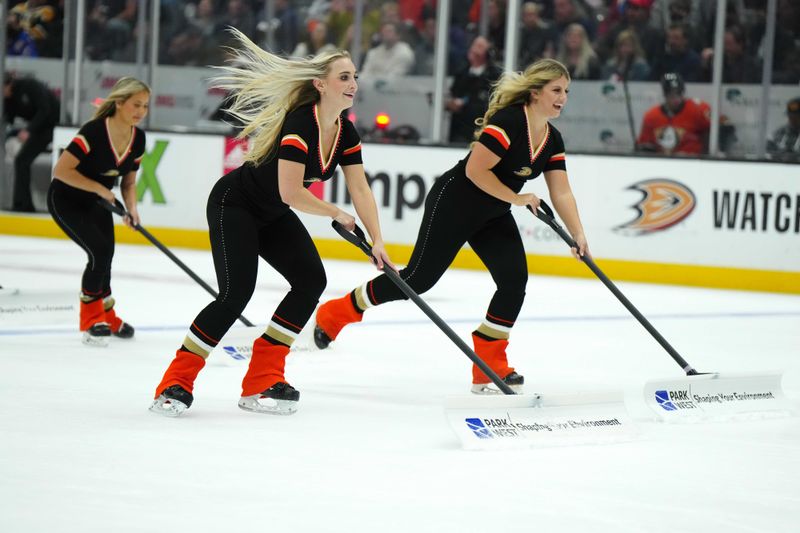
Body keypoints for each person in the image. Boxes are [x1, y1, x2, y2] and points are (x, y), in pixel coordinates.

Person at [150, 29, 393, 417]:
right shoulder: (301, 123)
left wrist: (377, 239)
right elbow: (291, 193)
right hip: (236, 205)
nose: (352, 84)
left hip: (272, 213)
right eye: (344, 77)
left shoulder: (345, 131)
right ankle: (175, 382)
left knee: (311, 280)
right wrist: (335, 213)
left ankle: (263, 377)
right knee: (235, 294)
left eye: (355, 77)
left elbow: (360, 187)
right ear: (320, 84)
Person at [313, 59, 589, 395]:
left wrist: (578, 233)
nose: (563, 97)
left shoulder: (552, 139)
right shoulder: (508, 122)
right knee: (416, 281)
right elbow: (476, 172)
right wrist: (517, 199)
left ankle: (489, 364)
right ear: (535, 92)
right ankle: (338, 312)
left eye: (567, 92)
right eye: (556, 90)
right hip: (454, 204)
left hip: (493, 212)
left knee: (514, 281)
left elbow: (561, 190)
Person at [48, 77, 149, 345]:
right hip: (66, 200)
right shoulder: (93, 132)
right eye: (136, 104)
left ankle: (107, 315)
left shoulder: (138, 138)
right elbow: (60, 171)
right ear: (119, 103)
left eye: (145, 106)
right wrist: (100, 189)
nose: (140, 111)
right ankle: (91, 320)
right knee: (99, 252)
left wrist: (132, 209)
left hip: (97, 203)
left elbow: (128, 182)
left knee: (106, 257)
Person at [3, 72, 60, 212]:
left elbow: (45, 109)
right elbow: (7, 119)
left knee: (22, 160)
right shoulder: (8, 99)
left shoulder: (30, 86)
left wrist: (29, 130)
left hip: (54, 124)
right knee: (22, 161)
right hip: (37, 128)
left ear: (8, 84)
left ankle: (22, 205)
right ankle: (24, 204)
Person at [446, 36, 503, 144]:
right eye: (473, 45)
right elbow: (453, 94)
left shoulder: (494, 76)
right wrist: (451, 104)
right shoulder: (461, 73)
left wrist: (467, 104)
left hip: (482, 130)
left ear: (488, 53)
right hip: (459, 130)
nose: (474, 50)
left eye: (479, 46)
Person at [636, 72, 710, 155]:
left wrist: (703, 157)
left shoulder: (698, 109)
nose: (676, 99)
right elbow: (644, 146)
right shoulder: (651, 117)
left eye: (679, 94)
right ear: (665, 95)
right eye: (671, 95)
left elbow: (714, 135)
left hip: (694, 163)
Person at [766, 97, 800, 162]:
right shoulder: (778, 134)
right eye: (790, 116)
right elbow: (768, 153)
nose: (793, 119)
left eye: (797, 116)